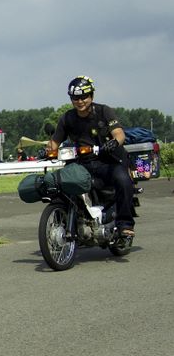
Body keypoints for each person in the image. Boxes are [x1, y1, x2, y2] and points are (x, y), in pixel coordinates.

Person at [47, 75, 135, 237]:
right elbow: (55, 142)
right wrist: (47, 150)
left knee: (123, 180)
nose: (80, 101)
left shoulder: (104, 111)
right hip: (81, 164)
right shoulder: (67, 118)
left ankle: (125, 224)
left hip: (107, 162)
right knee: (61, 184)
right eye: (75, 98)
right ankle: (69, 221)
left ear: (91, 96)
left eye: (84, 97)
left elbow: (119, 133)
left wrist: (114, 142)